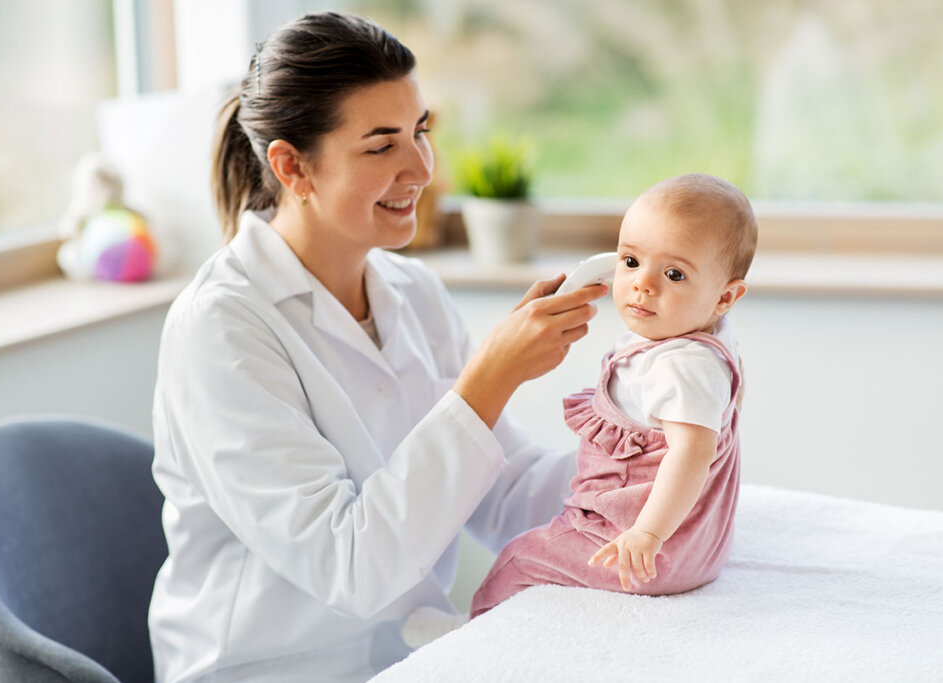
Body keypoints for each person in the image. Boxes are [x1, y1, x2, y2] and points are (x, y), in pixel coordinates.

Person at [146, 11, 606, 682]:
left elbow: (501, 492)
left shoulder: (411, 290)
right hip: (269, 670)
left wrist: (644, 452)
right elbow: (352, 567)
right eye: (381, 144)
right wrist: (487, 380)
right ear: (292, 166)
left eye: (420, 131)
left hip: (410, 654)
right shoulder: (221, 327)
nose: (421, 167)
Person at [470, 173, 757, 617]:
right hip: (697, 546)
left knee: (518, 559)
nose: (643, 284)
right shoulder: (709, 334)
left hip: (644, 549)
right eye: (629, 262)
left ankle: (464, 640)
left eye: (674, 273)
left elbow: (693, 454)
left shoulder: (681, 365)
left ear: (726, 297)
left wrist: (648, 534)